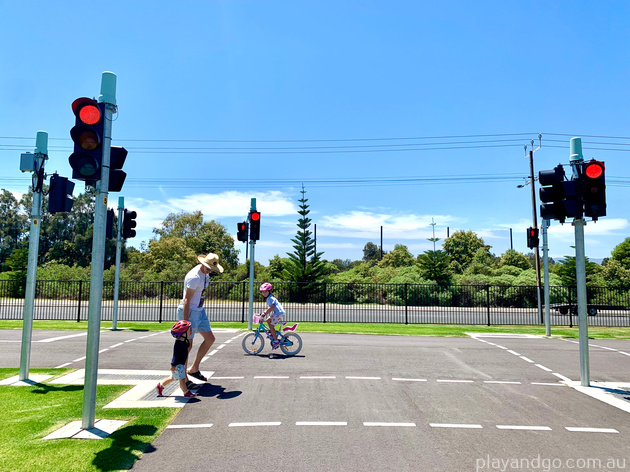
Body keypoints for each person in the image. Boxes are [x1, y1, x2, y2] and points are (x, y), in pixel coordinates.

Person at [178, 253, 224, 387]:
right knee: (187, 345)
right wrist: (185, 323)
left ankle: (194, 369)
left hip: (199, 310)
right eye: (208, 268)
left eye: (212, 269)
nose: (210, 271)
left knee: (210, 339)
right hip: (190, 311)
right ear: (203, 264)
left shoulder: (206, 274)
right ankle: (184, 380)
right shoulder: (194, 277)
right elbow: (186, 301)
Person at [156, 320, 196, 398]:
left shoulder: (184, 341)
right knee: (182, 379)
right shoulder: (179, 344)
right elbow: (175, 355)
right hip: (178, 365)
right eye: (189, 330)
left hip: (180, 364)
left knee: (173, 378)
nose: (190, 331)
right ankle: (186, 392)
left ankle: (160, 385)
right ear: (183, 333)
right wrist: (173, 364)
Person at [258, 282, 285, 349]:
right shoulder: (270, 297)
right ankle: (273, 335)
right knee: (268, 320)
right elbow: (270, 308)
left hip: (278, 313)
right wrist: (264, 312)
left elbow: (271, 308)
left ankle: (276, 341)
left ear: (269, 291)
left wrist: (264, 314)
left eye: (265, 291)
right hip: (278, 313)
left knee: (271, 326)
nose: (264, 293)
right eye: (263, 292)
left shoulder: (270, 298)